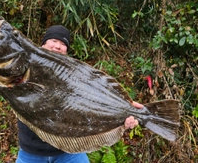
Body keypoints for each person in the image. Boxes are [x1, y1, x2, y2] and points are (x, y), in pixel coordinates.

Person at [16, 25, 144, 163]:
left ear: (66, 50)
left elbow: (95, 104)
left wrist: (124, 109)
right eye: (54, 40)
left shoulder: (75, 76)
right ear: (43, 43)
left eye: (63, 43)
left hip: (68, 152)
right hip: (30, 152)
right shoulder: (24, 68)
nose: (58, 46)